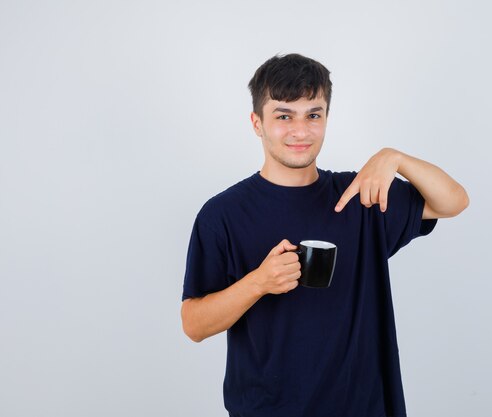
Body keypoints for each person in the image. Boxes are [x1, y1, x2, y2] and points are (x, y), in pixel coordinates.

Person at [181, 53, 469, 417]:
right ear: (257, 123)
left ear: (326, 119)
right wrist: (258, 283)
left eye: (313, 115)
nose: (300, 131)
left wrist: (394, 158)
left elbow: (454, 202)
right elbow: (193, 324)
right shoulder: (221, 215)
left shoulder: (361, 195)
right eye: (284, 116)